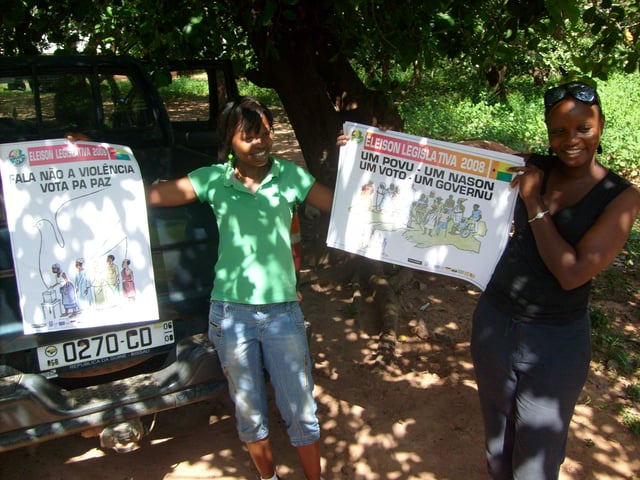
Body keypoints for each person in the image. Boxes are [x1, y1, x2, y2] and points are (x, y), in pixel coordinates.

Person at [147, 96, 333, 480]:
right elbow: (151, 196)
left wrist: (358, 157)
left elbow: (342, 204)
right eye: (249, 136)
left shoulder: (291, 176)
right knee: (249, 411)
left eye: (266, 133)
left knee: (300, 408)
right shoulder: (213, 179)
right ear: (228, 140)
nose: (261, 143)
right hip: (232, 315)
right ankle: (269, 478)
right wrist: (96, 159)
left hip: (283, 312)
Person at [470, 81, 640, 479]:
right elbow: (471, 155)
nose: (571, 140)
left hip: (555, 342)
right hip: (495, 323)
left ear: (601, 124)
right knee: (498, 447)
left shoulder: (622, 198)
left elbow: (573, 272)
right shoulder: (536, 167)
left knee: (536, 462)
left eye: (583, 127)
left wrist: (534, 202)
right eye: (559, 131)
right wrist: (377, 144)